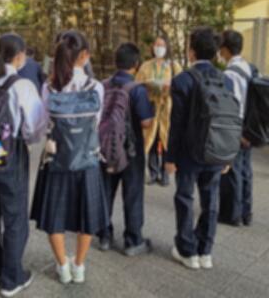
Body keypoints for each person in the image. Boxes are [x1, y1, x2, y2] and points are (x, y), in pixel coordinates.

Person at [31, 31, 109, 284]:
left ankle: (63, 266)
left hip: (57, 159)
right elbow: (96, 122)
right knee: (87, 214)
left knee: (54, 215)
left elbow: (43, 124)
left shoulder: (49, 87)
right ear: (84, 55)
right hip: (87, 159)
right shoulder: (96, 87)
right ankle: (79, 266)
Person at [0, 34, 46, 297]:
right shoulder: (22, 85)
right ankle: (11, 279)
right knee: (15, 217)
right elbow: (35, 127)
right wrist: (29, 141)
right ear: (20, 55)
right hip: (10, 154)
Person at [165, 27, 234, 271]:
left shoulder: (182, 80)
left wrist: (170, 157)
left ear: (191, 52)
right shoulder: (226, 80)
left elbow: (176, 124)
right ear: (215, 53)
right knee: (211, 200)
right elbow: (230, 118)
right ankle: (205, 251)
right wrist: (228, 156)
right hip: (217, 150)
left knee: (185, 198)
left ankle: (187, 251)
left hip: (189, 153)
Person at [98, 43, 154, 255]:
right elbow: (146, 122)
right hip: (131, 149)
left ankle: (104, 236)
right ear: (136, 64)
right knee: (133, 193)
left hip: (105, 147)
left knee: (105, 191)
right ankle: (133, 241)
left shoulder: (102, 86)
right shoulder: (137, 89)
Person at [218, 30, 254, 227]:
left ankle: (232, 214)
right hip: (250, 127)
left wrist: (236, 132)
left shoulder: (230, 74)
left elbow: (235, 105)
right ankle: (246, 212)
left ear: (225, 49)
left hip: (237, 127)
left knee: (233, 169)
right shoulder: (249, 68)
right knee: (246, 170)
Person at [137, 35, 181, 186]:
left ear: (167, 47)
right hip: (151, 105)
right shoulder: (146, 66)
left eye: (161, 45)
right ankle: (153, 172)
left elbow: (180, 85)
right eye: (156, 45)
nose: (158, 48)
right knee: (152, 139)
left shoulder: (174, 66)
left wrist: (168, 87)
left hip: (167, 107)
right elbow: (138, 84)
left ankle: (165, 173)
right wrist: (148, 85)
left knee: (166, 138)